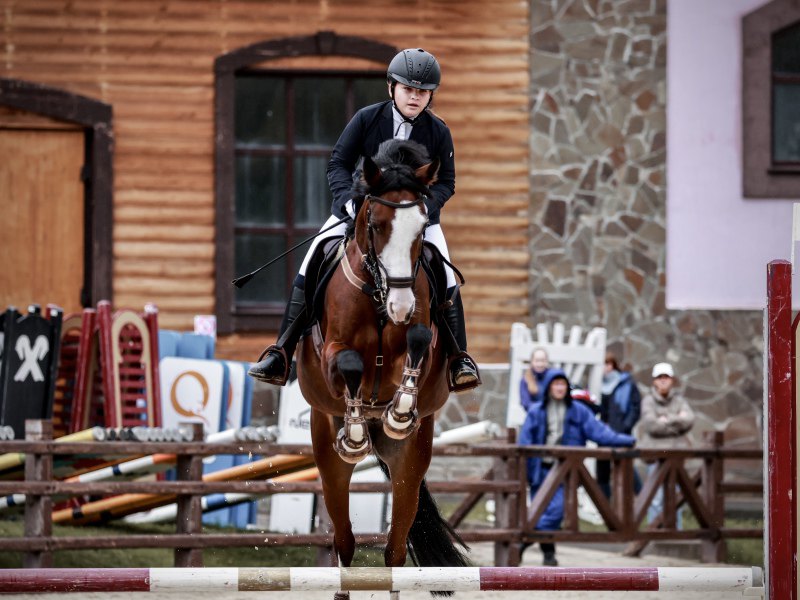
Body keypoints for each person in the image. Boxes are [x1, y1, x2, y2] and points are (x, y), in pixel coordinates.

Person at [248, 48, 480, 392]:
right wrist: (347, 203)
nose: (414, 97)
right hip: (361, 215)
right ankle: (281, 352)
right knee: (312, 261)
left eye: (422, 91)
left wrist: (422, 213)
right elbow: (338, 164)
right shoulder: (366, 118)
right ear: (391, 87)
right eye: (408, 89)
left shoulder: (438, 131)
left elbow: (446, 182)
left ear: (430, 95)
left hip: (416, 223)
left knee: (446, 276)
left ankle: (459, 358)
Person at [518, 369, 636, 566]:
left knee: (556, 511)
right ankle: (549, 556)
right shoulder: (536, 411)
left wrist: (627, 440)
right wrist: (526, 471)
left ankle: (521, 542)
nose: (559, 387)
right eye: (555, 384)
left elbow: (599, 433)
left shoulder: (578, 410)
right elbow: (524, 442)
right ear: (548, 387)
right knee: (541, 513)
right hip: (540, 470)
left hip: (566, 471)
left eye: (562, 384)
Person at [639, 362, 695, 528]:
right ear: (654, 381)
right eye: (659, 378)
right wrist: (677, 419)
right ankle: (654, 533)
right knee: (655, 497)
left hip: (676, 456)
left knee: (675, 496)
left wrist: (665, 419)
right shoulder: (648, 401)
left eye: (666, 377)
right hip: (656, 457)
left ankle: (675, 532)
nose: (663, 381)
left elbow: (690, 420)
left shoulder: (679, 400)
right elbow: (651, 425)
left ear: (672, 380)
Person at [596, 352, 642, 498]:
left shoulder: (626, 383)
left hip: (620, 433)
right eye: (603, 364)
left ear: (612, 365)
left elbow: (635, 408)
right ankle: (605, 507)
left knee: (627, 467)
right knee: (602, 471)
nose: (605, 368)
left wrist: (625, 426)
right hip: (602, 433)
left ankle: (642, 498)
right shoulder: (596, 384)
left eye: (607, 364)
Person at [519, 347, 551, 413]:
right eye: (537, 361)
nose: (540, 364)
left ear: (547, 362)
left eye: (542, 360)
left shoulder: (553, 377)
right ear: (532, 362)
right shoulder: (525, 380)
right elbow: (526, 404)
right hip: (535, 416)